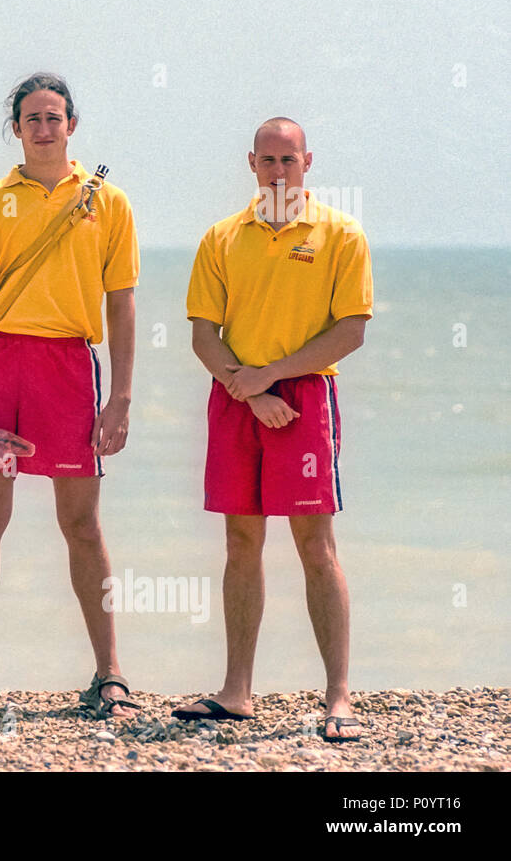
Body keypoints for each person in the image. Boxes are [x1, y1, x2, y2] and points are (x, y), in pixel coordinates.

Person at [0, 73, 140, 717]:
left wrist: (123, 397)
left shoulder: (108, 203)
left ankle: (109, 673)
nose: (43, 128)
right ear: (16, 129)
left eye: (54, 117)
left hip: (70, 374)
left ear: (71, 125)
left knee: (81, 523)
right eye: (31, 119)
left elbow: (122, 304)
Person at [177, 117, 372, 741]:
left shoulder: (340, 233)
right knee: (241, 543)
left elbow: (351, 330)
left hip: (305, 396)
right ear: (252, 164)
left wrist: (273, 377)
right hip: (238, 398)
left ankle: (338, 695)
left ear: (307, 162)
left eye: (288, 160)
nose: (278, 170)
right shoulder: (222, 237)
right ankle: (236, 691)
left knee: (316, 546)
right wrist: (248, 387)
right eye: (268, 160)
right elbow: (203, 333)